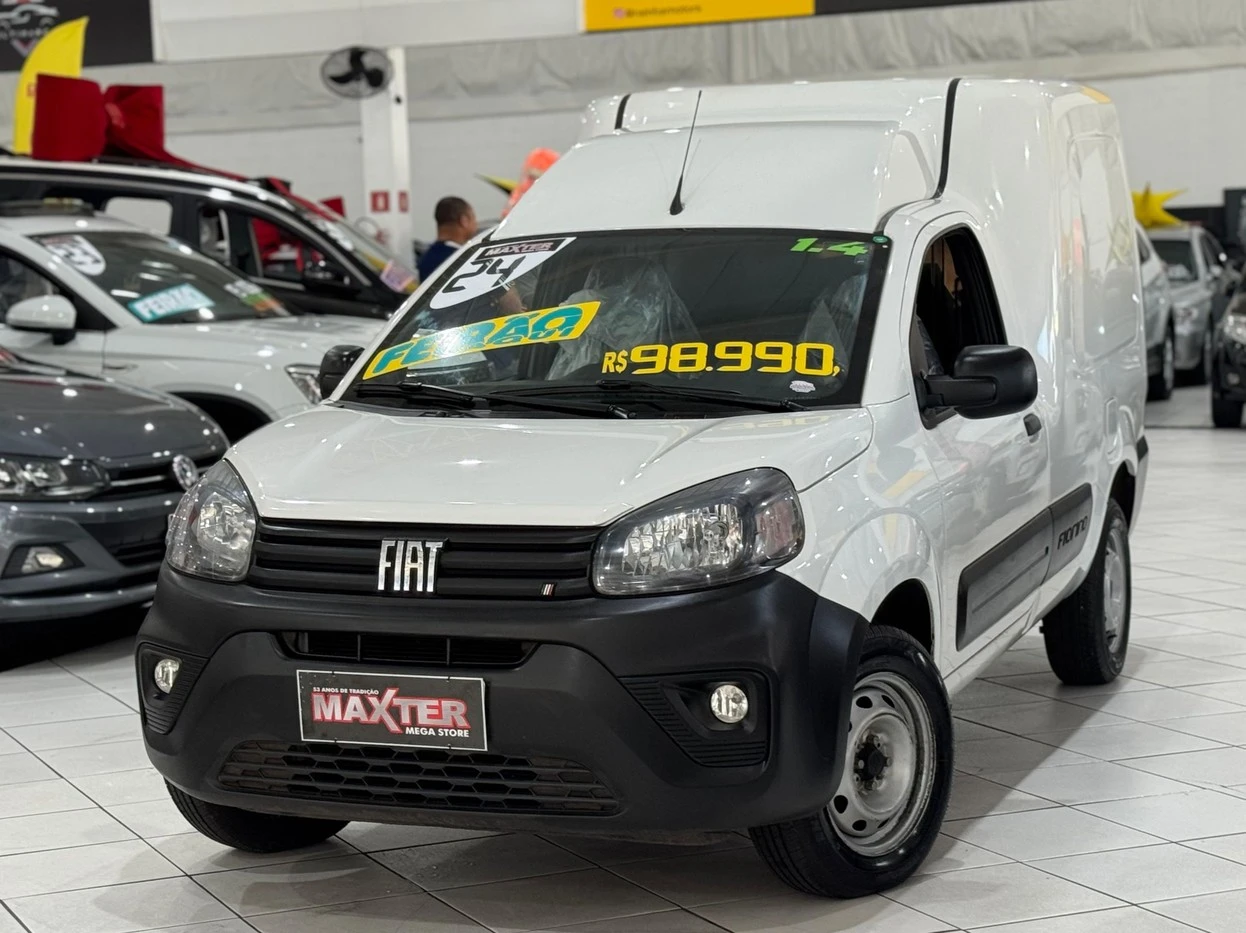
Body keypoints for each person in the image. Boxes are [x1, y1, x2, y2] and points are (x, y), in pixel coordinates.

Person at [417, 197, 478, 281]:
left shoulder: (425, 260)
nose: (476, 223)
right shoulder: (464, 260)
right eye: (473, 218)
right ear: (464, 221)